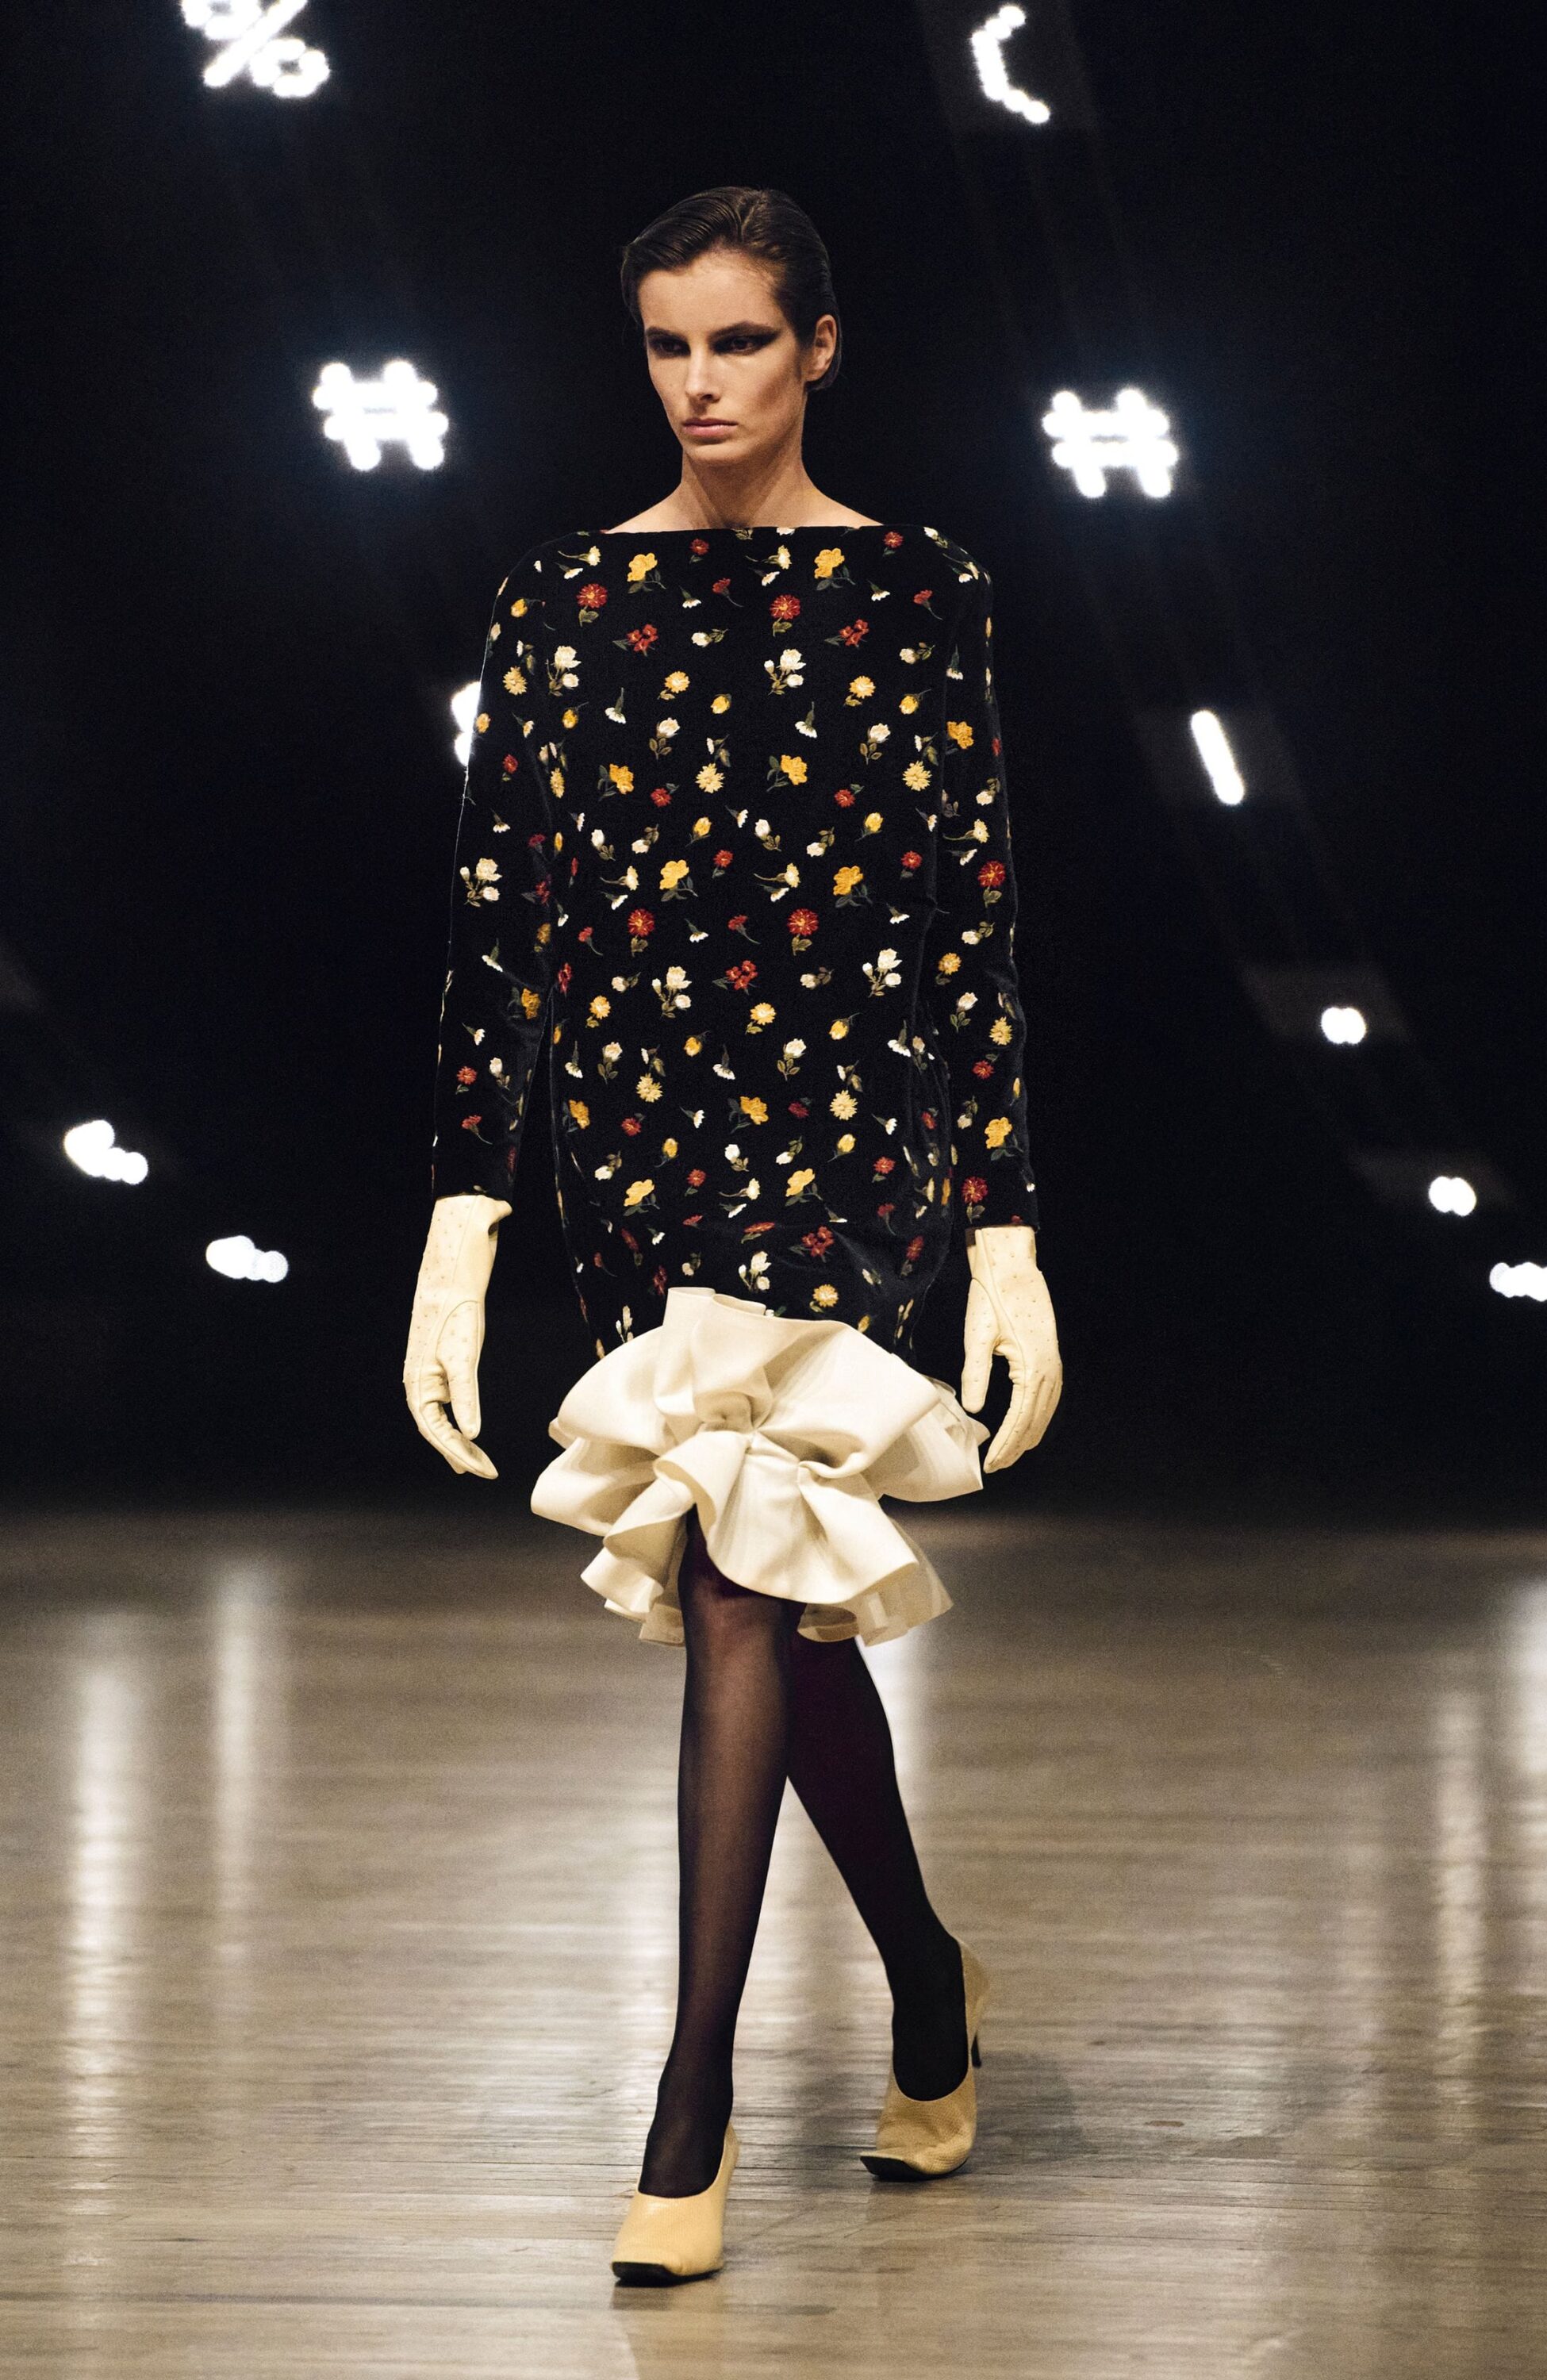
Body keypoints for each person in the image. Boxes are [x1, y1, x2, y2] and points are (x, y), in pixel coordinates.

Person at [403, 185, 1061, 2285]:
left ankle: (688, 2107)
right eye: (669, 345)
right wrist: (462, 1221)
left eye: (741, 341)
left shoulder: (918, 588)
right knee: (757, 1586)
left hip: (850, 1133)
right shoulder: (563, 599)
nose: (700, 383)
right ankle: (928, 1983)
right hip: (636, 1141)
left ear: (821, 347)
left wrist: (1005, 1229)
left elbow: (968, 909)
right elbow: (506, 916)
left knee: (734, 1582)